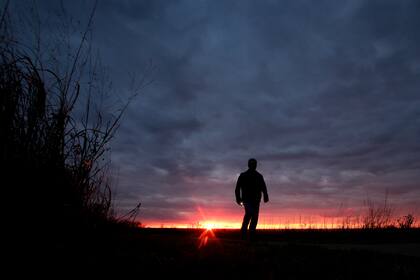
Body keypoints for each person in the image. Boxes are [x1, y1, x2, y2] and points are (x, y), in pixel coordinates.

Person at [235, 158, 269, 241]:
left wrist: (265, 195)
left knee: (254, 216)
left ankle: (251, 234)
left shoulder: (259, 176)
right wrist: (238, 198)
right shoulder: (243, 175)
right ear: (249, 165)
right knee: (250, 213)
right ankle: (244, 232)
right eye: (252, 164)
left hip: (256, 200)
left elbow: (263, 187)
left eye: (254, 164)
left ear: (256, 165)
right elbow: (237, 188)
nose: (253, 165)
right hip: (246, 200)